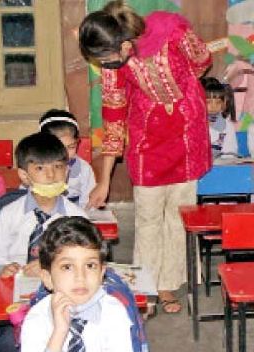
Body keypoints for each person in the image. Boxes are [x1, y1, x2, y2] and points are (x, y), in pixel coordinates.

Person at [79, 0, 212, 313]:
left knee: (179, 217)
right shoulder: (116, 64)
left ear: (125, 44)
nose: (106, 66)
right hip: (147, 143)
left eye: (108, 58)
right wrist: (104, 180)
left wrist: (178, 93)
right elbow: (113, 117)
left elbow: (202, 61)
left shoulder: (173, 29)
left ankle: (168, 286)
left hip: (186, 135)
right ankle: (145, 286)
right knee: (148, 218)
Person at [0, 132, 87, 352]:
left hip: (66, 299)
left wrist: (49, 266)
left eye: (58, 167)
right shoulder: (9, 213)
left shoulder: (76, 217)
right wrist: (2, 268)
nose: (51, 175)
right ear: (24, 175)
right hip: (18, 301)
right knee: (8, 342)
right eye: (40, 168)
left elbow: (87, 261)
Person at [20, 216, 135, 352]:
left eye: (90, 265)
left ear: (101, 273)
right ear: (47, 277)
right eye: (67, 267)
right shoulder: (37, 319)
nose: (80, 276)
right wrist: (59, 333)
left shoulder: (113, 312)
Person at [39, 109, 96, 208]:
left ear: (77, 142)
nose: (64, 154)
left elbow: (87, 202)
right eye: (58, 148)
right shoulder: (36, 167)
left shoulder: (83, 169)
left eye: (71, 147)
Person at [200, 77, 237, 160]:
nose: (214, 106)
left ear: (224, 103)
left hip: (220, 167)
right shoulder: (191, 124)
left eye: (218, 102)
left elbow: (231, 151)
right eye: (208, 102)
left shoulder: (227, 126)